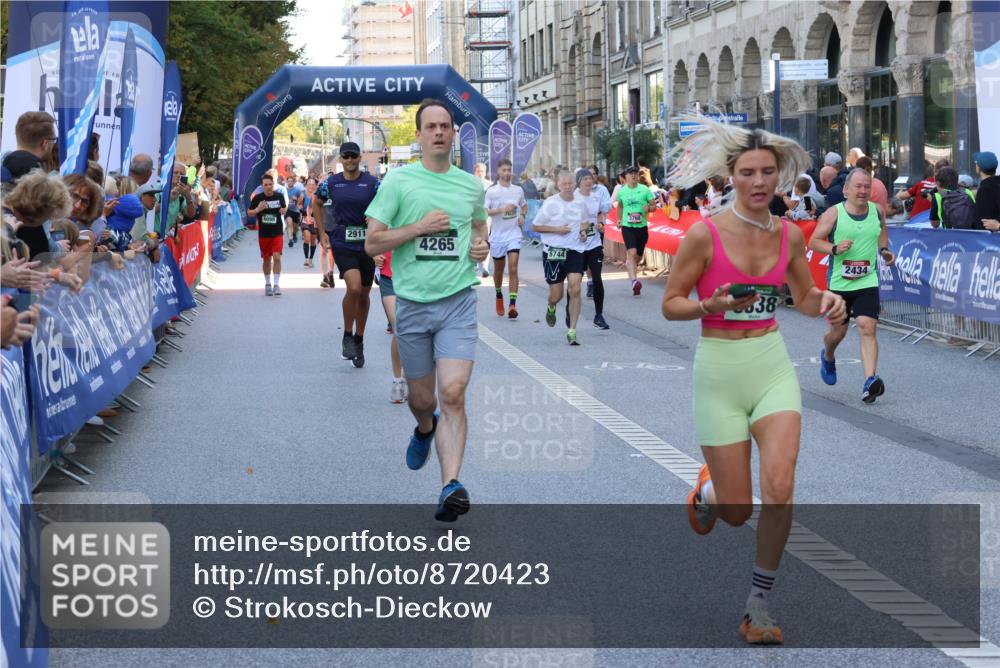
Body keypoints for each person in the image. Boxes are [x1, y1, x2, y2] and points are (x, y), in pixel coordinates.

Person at [661, 117, 846, 646]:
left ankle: (757, 606)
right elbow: (671, 304)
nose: (759, 181)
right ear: (731, 176)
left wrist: (827, 302)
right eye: (748, 173)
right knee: (738, 511)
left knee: (781, 486)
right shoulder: (705, 234)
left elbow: (803, 297)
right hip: (719, 370)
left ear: (779, 174)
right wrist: (710, 305)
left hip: (770, 365)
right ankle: (711, 490)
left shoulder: (789, 234)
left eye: (767, 171)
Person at [364, 99, 489, 523]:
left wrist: (481, 245)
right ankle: (424, 427)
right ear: (418, 135)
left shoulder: (470, 186)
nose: (438, 132)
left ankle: (450, 484)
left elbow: (479, 225)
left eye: (445, 126)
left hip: (458, 302)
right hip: (413, 305)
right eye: (430, 126)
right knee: (422, 399)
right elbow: (372, 242)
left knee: (453, 393)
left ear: (453, 134)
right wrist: (418, 228)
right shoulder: (399, 183)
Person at [810, 168, 895, 402]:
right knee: (838, 332)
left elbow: (882, 228)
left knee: (868, 327)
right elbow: (814, 241)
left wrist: (884, 250)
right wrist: (834, 248)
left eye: (867, 186)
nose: (863, 191)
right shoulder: (834, 214)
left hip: (867, 280)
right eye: (858, 186)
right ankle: (828, 355)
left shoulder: (877, 211)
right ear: (846, 190)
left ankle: (870, 381)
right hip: (840, 283)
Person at [315, 141, 380, 367]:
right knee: (353, 287)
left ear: (360, 158)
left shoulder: (372, 183)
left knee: (364, 294)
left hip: (367, 242)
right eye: (346, 157)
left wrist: (377, 218)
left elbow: (387, 204)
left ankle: (359, 340)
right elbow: (316, 202)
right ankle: (347, 334)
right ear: (341, 159)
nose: (350, 160)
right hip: (342, 240)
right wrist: (322, 232)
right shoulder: (331, 183)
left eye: (353, 156)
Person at [532, 169, 588, 345]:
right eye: (564, 184)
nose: (568, 187)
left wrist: (584, 232)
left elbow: (584, 221)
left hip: (575, 250)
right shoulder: (550, 203)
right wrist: (557, 230)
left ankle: (572, 330)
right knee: (556, 295)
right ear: (558, 185)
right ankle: (551, 306)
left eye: (570, 183)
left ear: (575, 184)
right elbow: (535, 226)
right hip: (554, 252)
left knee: (575, 289)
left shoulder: (580, 202)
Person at [484, 158, 527, 318]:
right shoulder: (492, 191)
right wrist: (502, 209)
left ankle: (512, 305)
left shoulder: (518, 190)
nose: (507, 173)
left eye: (509, 170)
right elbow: (485, 211)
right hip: (497, 236)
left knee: (513, 267)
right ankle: (499, 295)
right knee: (499, 270)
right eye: (504, 170)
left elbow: (524, 205)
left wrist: (522, 215)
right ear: (498, 172)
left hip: (513, 234)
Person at [576, 168, 610, 329]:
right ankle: (570, 315)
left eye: (590, 178)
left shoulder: (596, 198)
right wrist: (579, 230)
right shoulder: (572, 198)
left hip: (594, 244)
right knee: (574, 283)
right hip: (576, 246)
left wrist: (601, 224)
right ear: (579, 182)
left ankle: (599, 315)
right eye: (585, 179)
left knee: (597, 278)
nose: (589, 181)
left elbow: (599, 214)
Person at [615, 165, 656, 296]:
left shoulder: (645, 190)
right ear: (626, 177)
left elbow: (654, 206)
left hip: (641, 227)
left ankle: (631, 265)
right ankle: (634, 281)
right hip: (627, 226)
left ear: (638, 176)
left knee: (637, 256)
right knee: (631, 252)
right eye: (630, 174)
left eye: (635, 173)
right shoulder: (622, 191)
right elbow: (620, 206)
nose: (633, 176)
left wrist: (649, 208)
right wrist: (619, 219)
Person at [374, 251, 407, 404]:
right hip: (389, 275)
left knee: (414, 330)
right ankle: (397, 380)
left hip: (419, 277)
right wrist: (374, 255)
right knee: (399, 328)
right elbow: (371, 240)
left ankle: (407, 376)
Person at [248, 173, 287, 296]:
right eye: (266, 185)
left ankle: (276, 285)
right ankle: (268, 284)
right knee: (266, 259)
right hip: (264, 233)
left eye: (270, 184)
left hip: (277, 231)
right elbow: (249, 212)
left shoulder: (279, 196)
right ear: (262, 186)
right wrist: (257, 210)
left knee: (277, 257)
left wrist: (284, 210)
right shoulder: (258, 198)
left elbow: (284, 208)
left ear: (273, 184)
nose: (268, 187)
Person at [1, 112, 56, 184]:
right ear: (45, 143)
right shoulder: (49, 185)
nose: (54, 143)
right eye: (54, 139)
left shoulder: (4, 167)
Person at [473, 163, 492, 278]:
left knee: (486, 240)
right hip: (472, 216)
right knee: (474, 240)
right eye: (478, 171)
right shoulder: (469, 184)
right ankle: (475, 262)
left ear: (485, 173)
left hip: (486, 217)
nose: (480, 173)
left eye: (482, 171)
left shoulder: (490, 185)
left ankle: (485, 266)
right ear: (474, 172)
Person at [973, 151, 1000, 232]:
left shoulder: (984, 190)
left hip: (992, 239)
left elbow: (983, 224)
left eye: (976, 163)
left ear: (979, 168)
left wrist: (998, 226)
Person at [300, 177, 319, 267]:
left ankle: (311, 259)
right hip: (305, 218)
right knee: (307, 237)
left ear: (315, 186)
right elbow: (299, 204)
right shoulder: (303, 194)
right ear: (306, 185)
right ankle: (306, 259)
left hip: (315, 219)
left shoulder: (318, 195)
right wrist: (300, 208)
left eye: (312, 184)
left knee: (313, 241)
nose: (310, 186)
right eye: (309, 184)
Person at [285, 171, 304, 249]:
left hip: (295, 210)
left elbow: (302, 198)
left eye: (291, 181)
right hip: (287, 210)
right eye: (288, 181)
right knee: (289, 223)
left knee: (296, 227)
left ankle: (294, 234)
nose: (290, 182)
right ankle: (290, 240)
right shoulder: (284, 190)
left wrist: (297, 200)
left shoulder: (297, 190)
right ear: (287, 182)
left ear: (293, 182)